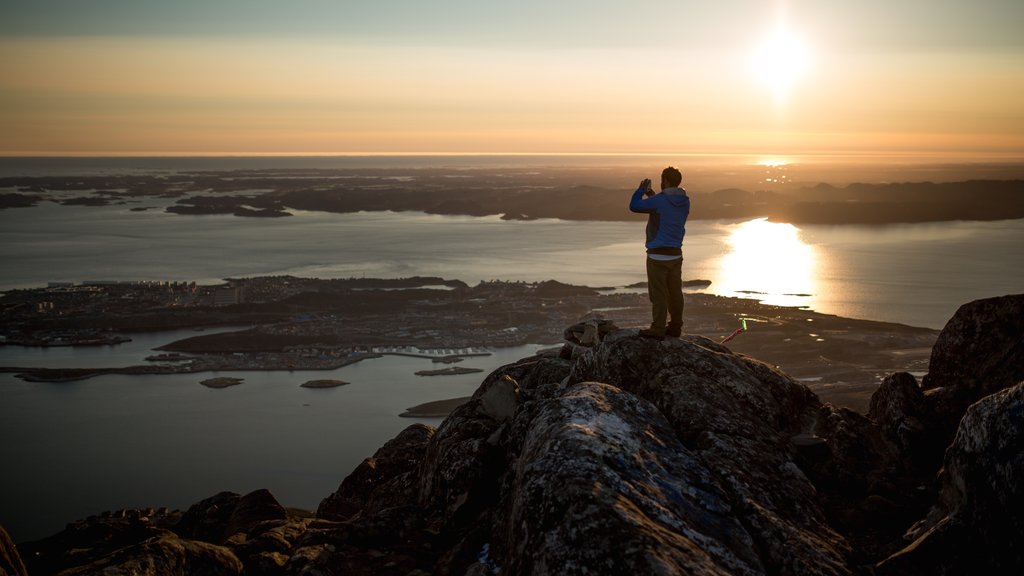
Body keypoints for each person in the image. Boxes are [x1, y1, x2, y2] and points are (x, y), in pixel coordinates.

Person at [629, 166, 690, 339]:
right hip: (676, 254)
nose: (662, 182)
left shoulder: (660, 200)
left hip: (657, 255)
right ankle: (676, 327)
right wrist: (653, 196)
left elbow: (634, 206)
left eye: (662, 180)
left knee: (659, 293)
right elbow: (665, 210)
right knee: (675, 292)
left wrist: (641, 190)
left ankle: (658, 329)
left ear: (666, 181)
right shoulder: (685, 200)